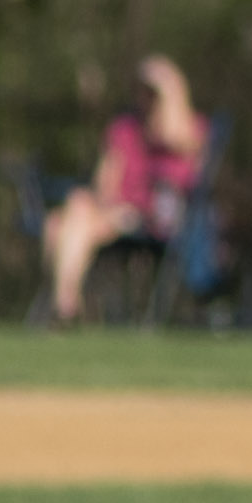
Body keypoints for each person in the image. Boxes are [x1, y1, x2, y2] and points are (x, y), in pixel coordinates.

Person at [40, 56, 208, 325]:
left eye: (155, 93)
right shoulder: (125, 128)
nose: (146, 98)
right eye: (143, 91)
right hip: (113, 211)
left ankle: (64, 304)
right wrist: (102, 202)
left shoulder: (191, 129)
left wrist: (167, 98)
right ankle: (67, 303)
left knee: (65, 222)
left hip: (154, 217)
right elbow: (106, 179)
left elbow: (181, 148)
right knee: (65, 217)